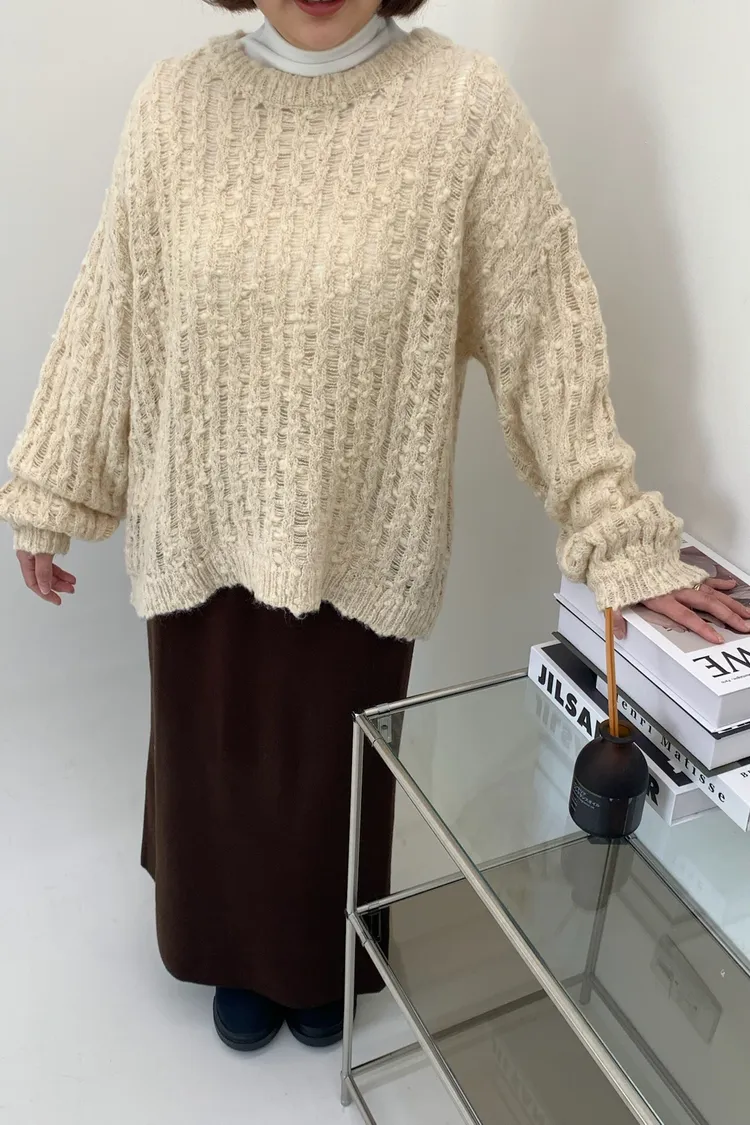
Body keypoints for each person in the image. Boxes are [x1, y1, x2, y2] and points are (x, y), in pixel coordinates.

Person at [2, 0, 749, 1053]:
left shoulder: (462, 110)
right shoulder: (176, 104)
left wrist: (618, 531)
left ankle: (319, 962)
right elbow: (114, 307)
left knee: (329, 782)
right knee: (214, 766)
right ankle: (226, 951)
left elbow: (543, 327)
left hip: (357, 546)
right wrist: (55, 482)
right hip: (202, 535)